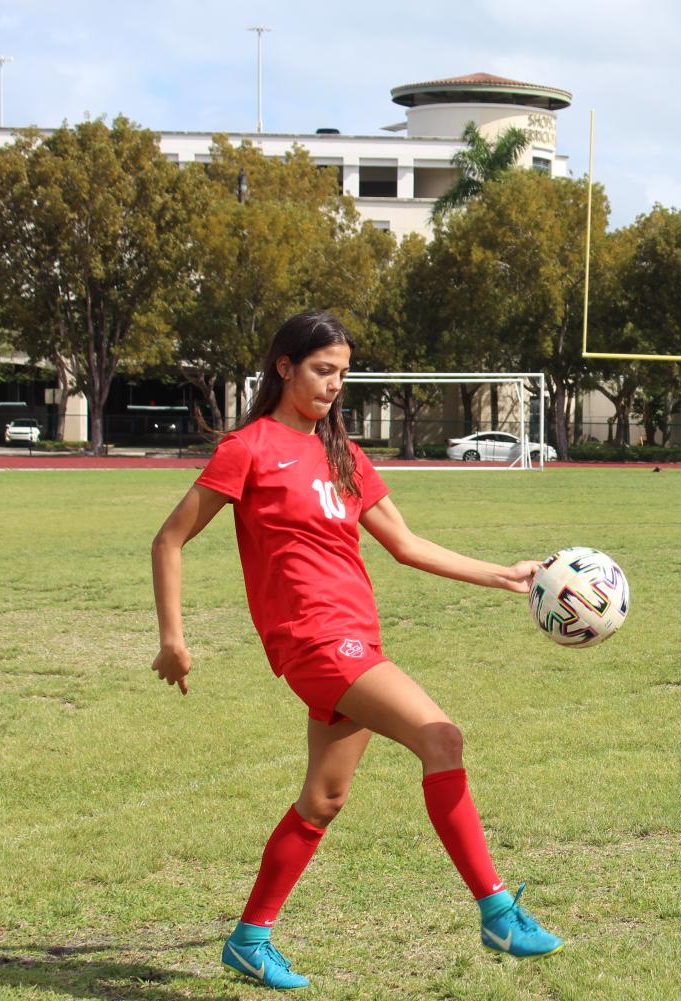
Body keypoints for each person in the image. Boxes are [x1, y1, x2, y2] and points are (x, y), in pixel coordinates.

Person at [150, 311, 561, 990]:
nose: (334, 384)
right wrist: (174, 639)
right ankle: (496, 911)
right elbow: (168, 539)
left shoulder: (344, 455)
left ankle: (249, 938)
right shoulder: (247, 448)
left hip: (354, 638)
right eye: (321, 370)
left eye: (341, 372)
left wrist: (504, 574)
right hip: (316, 644)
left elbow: (406, 544)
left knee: (323, 797)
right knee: (441, 738)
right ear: (284, 366)